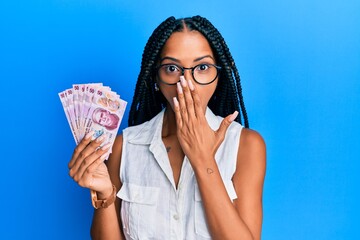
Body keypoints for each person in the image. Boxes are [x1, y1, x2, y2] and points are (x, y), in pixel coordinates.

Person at [68, 15, 266, 240]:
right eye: (172, 68)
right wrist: (104, 195)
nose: (187, 83)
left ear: (218, 75)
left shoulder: (246, 145)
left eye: (202, 67)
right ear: (156, 78)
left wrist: (203, 160)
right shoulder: (126, 146)